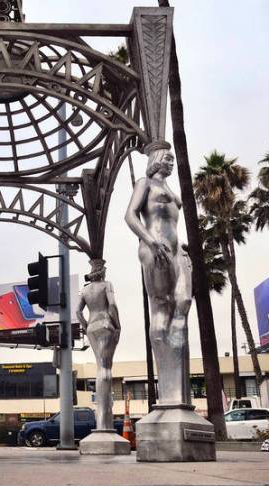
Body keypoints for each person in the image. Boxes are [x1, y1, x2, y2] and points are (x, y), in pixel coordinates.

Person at [124, 141, 192, 406]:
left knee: (184, 300)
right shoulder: (145, 184)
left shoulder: (170, 189)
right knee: (161, 308)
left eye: (173, 159)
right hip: (155, 248)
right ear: (156, 158)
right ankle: (168, 385)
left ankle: (173, 369)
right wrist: (150, 240)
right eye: (168, 157)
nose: (172, 162)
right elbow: (130, 216)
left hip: (176, 249)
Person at [76, 259, 121, 431]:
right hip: (105, 324)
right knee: (106, 368)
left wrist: (86, 326)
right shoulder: (106, 285)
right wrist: (117, 324)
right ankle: (104, 424)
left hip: (92, 327)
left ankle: (101, 421)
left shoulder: (85, 289)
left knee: (99, 367)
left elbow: (78, 312)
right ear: (102, 272)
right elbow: (113, 305)